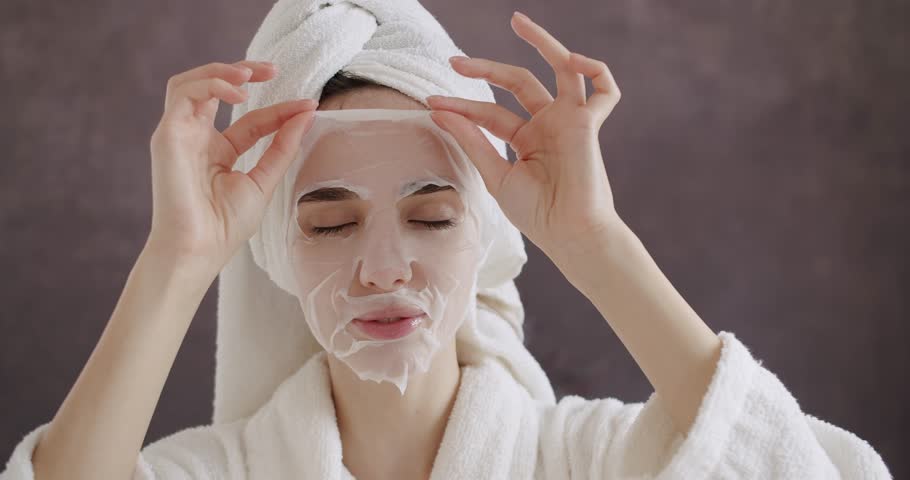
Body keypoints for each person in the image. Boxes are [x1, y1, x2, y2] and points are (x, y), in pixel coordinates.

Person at [1, 2, 892, 480]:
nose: (384, 268)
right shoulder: (220, 474)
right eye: (330, 221)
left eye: (432, 216)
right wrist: (177, 261)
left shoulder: (588, 464)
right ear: (274, 250)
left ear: (490, 237)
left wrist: (593, 238)